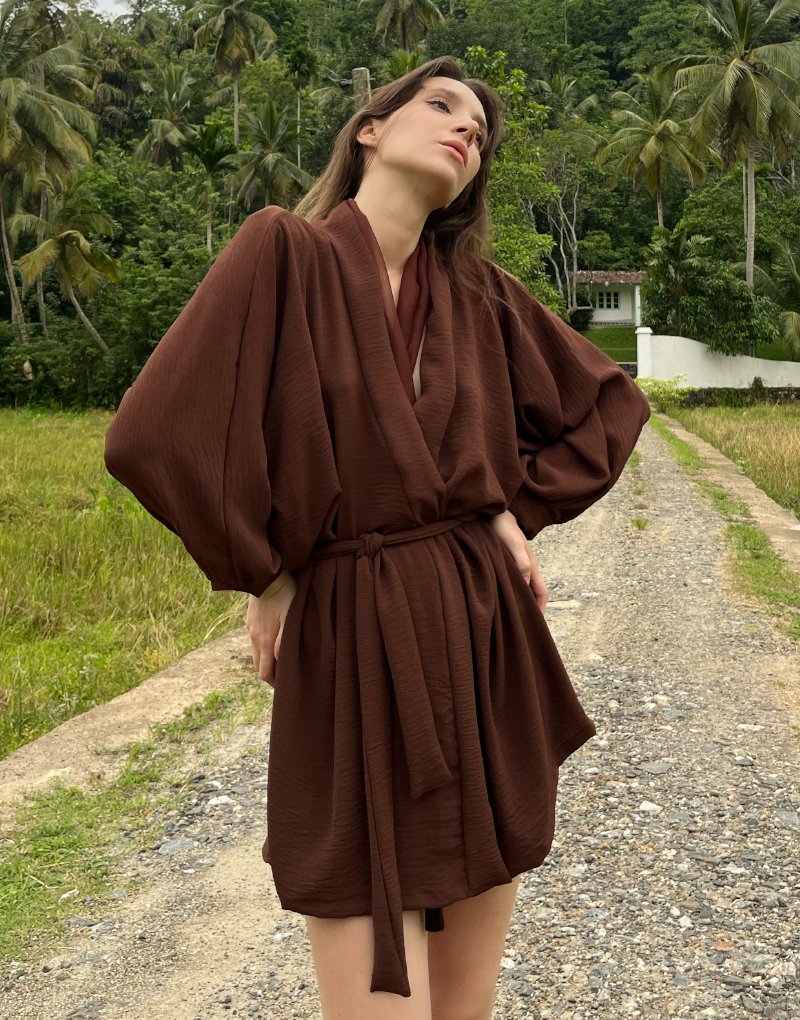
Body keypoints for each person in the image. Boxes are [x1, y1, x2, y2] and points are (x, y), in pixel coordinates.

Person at [104, 55, 651, 1020]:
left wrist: (505, 507)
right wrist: (268, 575)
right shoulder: (284, 253)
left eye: (481, 132)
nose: (466, 131)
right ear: (371, 128)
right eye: (443, 107)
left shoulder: (477, 293)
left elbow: (607, 406)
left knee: (464, 1008)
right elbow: (153, 436)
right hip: (352, 634)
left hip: (481, 630)